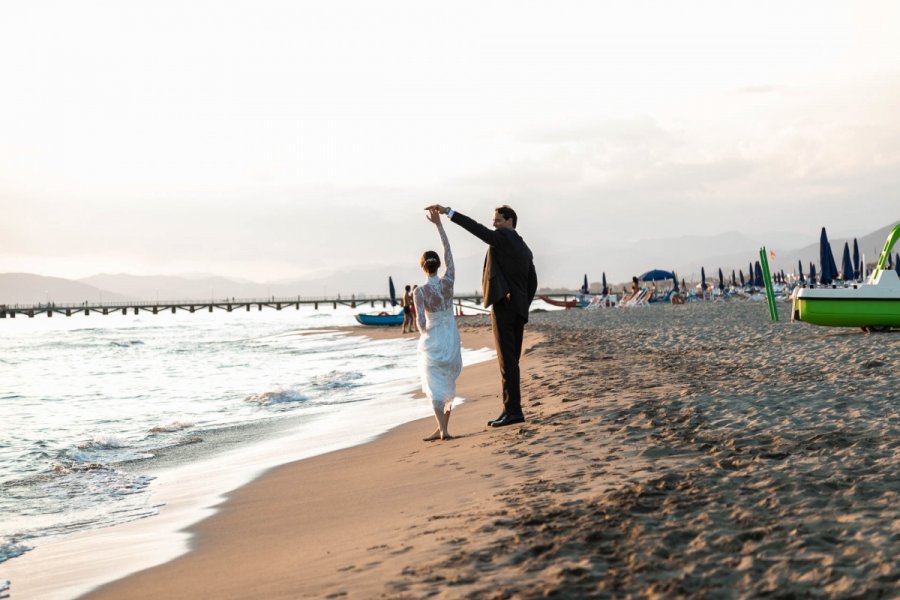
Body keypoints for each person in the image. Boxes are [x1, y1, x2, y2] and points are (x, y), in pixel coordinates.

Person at [426, 204, 537, 428]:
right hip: (518, 309)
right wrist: (523, 304)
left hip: (504, 307)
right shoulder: (524, 247)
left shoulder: (503, 238)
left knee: (507, 363)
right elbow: (532, 280)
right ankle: (510, 409)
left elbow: (476, 229)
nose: (493, 224)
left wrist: (449, 213)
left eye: (497, 220)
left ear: (509, 221)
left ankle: (513, 411)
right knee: (511, 361)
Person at [414, 208, 462, 441]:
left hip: (434, 335)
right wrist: (439, 225)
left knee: (434, 385)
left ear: (423, 267)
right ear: (438, 265)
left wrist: (424, 335)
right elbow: (449, 252)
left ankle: (443, 430)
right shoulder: (449, 280)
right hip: (451, 335)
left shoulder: (420, 291)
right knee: (447, 381)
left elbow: (421, 323)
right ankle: (442, 427)